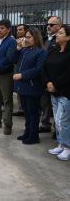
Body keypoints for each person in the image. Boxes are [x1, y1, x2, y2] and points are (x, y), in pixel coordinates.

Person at [13, 27, 47, 144]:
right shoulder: (25, 50)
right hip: (23, 86)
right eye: (25, 37)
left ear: (36, 38)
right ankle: (27, 132)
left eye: (29, 37)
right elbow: (14, 59)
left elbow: (38, 69)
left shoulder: (41, 52)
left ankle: (34, 135)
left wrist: (22, 75)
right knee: (27, 112)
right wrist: (18, 48)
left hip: (33, 86)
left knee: (33, 112)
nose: (26, 39)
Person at [43, 25, 70, 161]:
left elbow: (68, 74)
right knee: (57, 120)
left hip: (65, 92)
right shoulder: (53, 50)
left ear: (68, 37)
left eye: (61, 33)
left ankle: (67, 147)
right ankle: (61, 143)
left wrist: (55, 84)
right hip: (52, 90)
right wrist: (48, 82)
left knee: (62, 121)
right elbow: (45, 66)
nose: (57, 35)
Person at [40, 16, 62, 135]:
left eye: (52, 24)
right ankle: (45, 124)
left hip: (56, 77)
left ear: (59, 26)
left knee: (57, 105)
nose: (49, 26)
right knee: (44, 102)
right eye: (48, 24)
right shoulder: (45, 39)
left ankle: (57, 129)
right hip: (44, 75)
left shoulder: (61, 39)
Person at [13, 24, 29, 117]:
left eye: (20, 29)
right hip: (17, 66)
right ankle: (21, 108)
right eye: (17, 29)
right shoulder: (15, 41)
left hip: (26, 69)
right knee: (18, 89)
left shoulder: (28, 41)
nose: (18, 31)